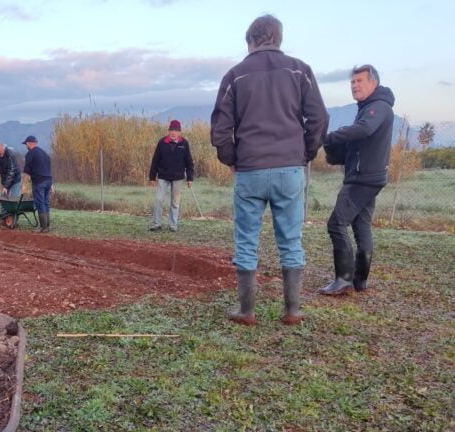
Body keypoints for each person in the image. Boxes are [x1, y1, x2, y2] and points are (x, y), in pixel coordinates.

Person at [211, 14, 328, 326]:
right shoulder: (300, 70)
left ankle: (246, 311)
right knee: (291, 240)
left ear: (250, 40)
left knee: (246, 241)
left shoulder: (235, 75)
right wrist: (304, 153)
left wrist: (231, 158)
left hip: (250, 169)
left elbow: (221, 129)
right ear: (278, 38)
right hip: (289, 168)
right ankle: (292, 311)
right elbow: (319, 118)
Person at [318, 65, 395, 295]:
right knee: (361, 226)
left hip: (363, 178)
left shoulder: (377, 107)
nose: (355, 85)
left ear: (373, 83)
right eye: (352, 82)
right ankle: (360, 282)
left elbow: (363, 130)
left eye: (360, 81)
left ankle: (343, 280)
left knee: (336, 224)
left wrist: (329, 137)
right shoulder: (370, 107)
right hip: (369, 176)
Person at [148, 120, 194, 232]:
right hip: (163, 176)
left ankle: (173, 225)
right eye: (171, 130)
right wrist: (152, 177)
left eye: (176, 130)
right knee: (158, 200)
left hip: (178, 177)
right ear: (169, 131)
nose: (173, 132)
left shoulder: (184, 143)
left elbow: (189, 162)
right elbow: (155, 160)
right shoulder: (162, 142)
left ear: (179, 132)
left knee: (175, 202)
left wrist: (190, 178)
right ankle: (156, 224)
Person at [21, 135, 53, 232]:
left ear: (29, 143)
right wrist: (51, 184)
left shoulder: (30, 154)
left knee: (40, 203)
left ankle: (43, 228)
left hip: (39, 182)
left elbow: (26, 172)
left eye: (26, 144)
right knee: (46, 203)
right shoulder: (45, 153)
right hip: (48, 181)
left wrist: (24, 186)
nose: (25, 146)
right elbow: (48, 169)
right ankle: (47, 226)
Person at [0, 142, 22, 226]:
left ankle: (14, 222)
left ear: (4, 148)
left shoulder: (10, 154)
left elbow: (12, 171)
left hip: (15, 179)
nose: (1, 154)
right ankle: (3, 219)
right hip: (4, 179)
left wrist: (6, 186)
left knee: (14, 200)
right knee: (3, 199)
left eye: (2, 152)